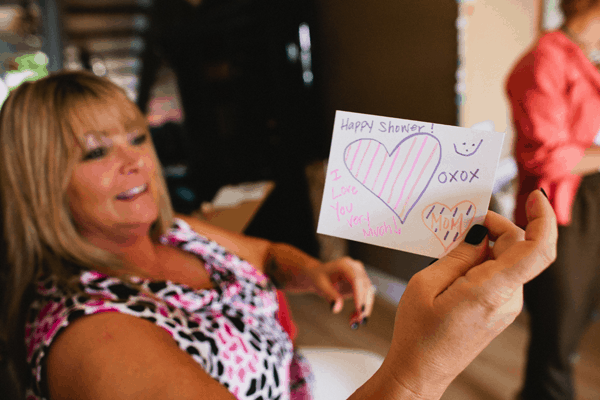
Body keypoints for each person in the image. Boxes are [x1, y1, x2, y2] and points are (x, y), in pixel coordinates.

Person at [0, 70, 557, 400]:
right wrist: (421, 368)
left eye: (136, 137)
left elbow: (265, 255)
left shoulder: (175, 232)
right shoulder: (95, 339)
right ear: (39, 182)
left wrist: (312, 272)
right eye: (96, 151)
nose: (136, 163)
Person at [506, 1, 600, 398]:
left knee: (575, 322)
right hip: (562, 209)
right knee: (557, 334)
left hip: (590, 198)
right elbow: (543, 155)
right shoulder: (544, 58)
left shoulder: (586, 59)